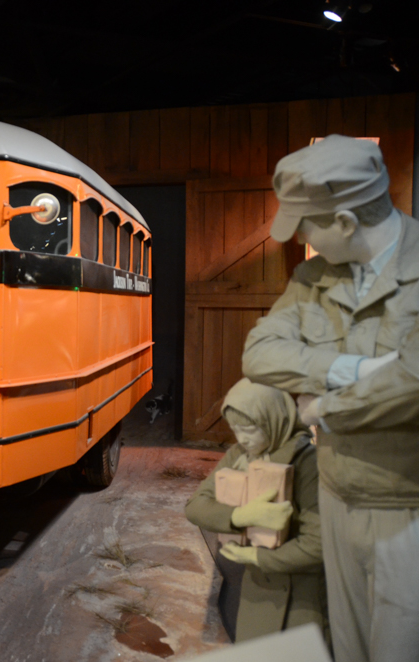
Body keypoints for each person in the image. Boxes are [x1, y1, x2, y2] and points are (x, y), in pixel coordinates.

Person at [242, 134, 419, 662]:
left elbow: (414, 380)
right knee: (350, 647)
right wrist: (359, 368)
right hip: (338, 493)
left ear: (344, 223)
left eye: (306, 223)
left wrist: (323, 407)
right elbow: (259, 351)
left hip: (404, 506)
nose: (297, 236)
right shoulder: (315, 276)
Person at [185, 379, 327, 644]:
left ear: (273, 420)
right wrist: (241, 516)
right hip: (252, 586)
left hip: (297, 597)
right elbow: (195, 506)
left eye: (250, 429)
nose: (242, 438)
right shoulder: (242, 454)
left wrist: (257, 557)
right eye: (236, 430)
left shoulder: (308, 463)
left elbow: (318, 545)